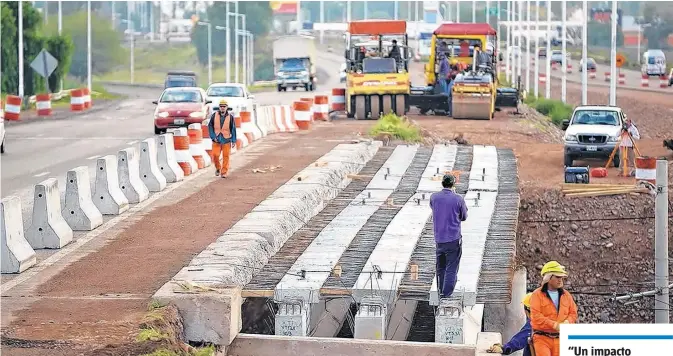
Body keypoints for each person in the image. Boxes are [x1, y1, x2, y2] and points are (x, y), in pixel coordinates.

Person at [430, 174, 468, 299]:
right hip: (453, 239)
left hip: (439, 239)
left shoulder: (434, 197)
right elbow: (464, 217)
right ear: (453, 184)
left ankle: (441, 290)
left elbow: (433, 207)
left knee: (440, 267)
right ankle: (446, 294)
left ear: (442, 183)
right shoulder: (458, 199)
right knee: (451, 267)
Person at [529, 261, 578, 356]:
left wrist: (568, 322)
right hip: (542, 338)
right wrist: (554, 325)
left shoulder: (566, 295)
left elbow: (573, 313)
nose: (560, 280)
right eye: (557, 277)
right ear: (548, 278)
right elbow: (536, 316)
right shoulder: (537, 295)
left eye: (561, 277)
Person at [208, 99, 237, 178]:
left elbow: (233, 129)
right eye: (221, 106)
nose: (222, 108)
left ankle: (224, 172)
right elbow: (210, 126)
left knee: (226, 156)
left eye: (224, 106)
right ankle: (218, 168)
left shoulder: (230, 117)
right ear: (219, 107)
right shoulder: (214, 115)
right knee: (215, 155)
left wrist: (234, 140)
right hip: (216, 139)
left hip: (226, 139)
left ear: (227, 107)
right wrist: (213, 136)